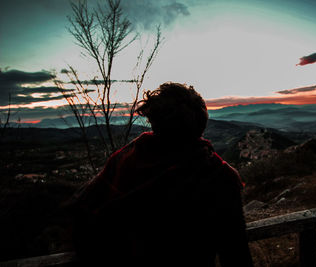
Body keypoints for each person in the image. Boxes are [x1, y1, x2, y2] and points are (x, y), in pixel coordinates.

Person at [67, 82, 253, 267]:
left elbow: (83, 214)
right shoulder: (220, 176)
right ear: (201, 123)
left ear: (153, 120)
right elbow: (236, 254)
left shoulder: (123, 161)